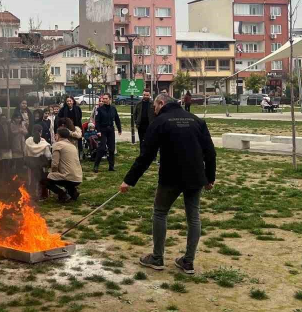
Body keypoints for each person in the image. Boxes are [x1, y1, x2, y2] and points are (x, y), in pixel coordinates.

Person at [119, 94, 217, 275]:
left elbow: (146, 156)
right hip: (196, 176)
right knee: (193, 217)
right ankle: (188, 261)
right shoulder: (196, 120)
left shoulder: (159, 122)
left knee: (160, 212)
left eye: (155, 107)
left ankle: (157, 258)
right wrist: (210, 177)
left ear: (161, 103)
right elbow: (210, 152)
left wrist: (129, 180)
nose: (154, 110)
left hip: (170, 177)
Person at [45, 127, 83, 202]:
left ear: (58, 135)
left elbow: (55, 164)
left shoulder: (58, 145)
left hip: (68, 177)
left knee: (45, 179)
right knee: (66, 174)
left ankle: (63, 194)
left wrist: (52, 172)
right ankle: (73, 193)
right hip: (78, 177)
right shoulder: (72, 145)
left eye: (56, 134)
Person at [93, 93, 122, 173]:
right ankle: (96, 165)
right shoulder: (99, 109)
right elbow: (97, 121)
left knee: (111, 149)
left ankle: (111, 166)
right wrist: (98, 131)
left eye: (106, 98)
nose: (104, 100)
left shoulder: (113, 108)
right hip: (102, 130)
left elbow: (117, 119)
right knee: (102, 148)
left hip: (110, 130)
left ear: (110, 99)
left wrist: (119, 129)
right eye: (103, 99)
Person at [24, 124, 51, 200]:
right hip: (40, 164)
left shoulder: (28, 141)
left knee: (32, 179)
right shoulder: (43, 142)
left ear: (32, 131)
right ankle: (43, 195)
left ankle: (32, 195)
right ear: (41, 132)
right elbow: (48, 155)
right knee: (42, 179)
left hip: (31, 163)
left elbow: (25, 152)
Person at [133, 89, 155, 154]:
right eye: (144, 95)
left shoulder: (153, 104)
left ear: (150, 95)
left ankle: (151, 155)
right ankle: (142, 155)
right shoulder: (138, 104)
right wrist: (136, 122)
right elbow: (135, 114)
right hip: (141, 126)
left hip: (150, 126)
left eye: (147, 95)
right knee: (142, 142)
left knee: (150, 141)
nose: (145, 96)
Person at [0, 114, 13, 179]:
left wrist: (10, 143)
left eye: (5, 118)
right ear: (0, 119)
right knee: (0, 159)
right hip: (1, 145)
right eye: (2, 118)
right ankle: (1, 172)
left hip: (7, 144)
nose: (4, 120)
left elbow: (10, 135)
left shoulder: (8, 125)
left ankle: (7, 172)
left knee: (7, 159)